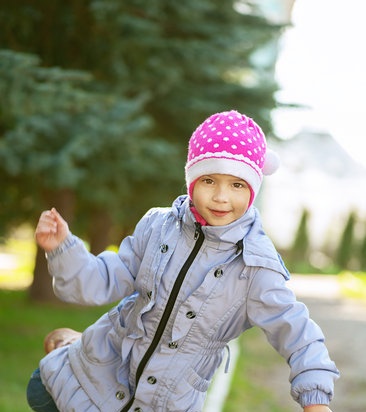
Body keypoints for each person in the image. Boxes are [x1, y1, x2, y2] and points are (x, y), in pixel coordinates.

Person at [27, 110, 339, 412]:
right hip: (93, 381)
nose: (221, 197)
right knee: (39, 390)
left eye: (237, 184)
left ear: (253, 189)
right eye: (209, 180)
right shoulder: (158, 226)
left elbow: (298, 334)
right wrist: (64, 249)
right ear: (192, 180)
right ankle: (76, 348)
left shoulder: (257, 267)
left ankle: (71, 340)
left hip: (164, 403)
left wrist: (316, 398)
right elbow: (102, 280)